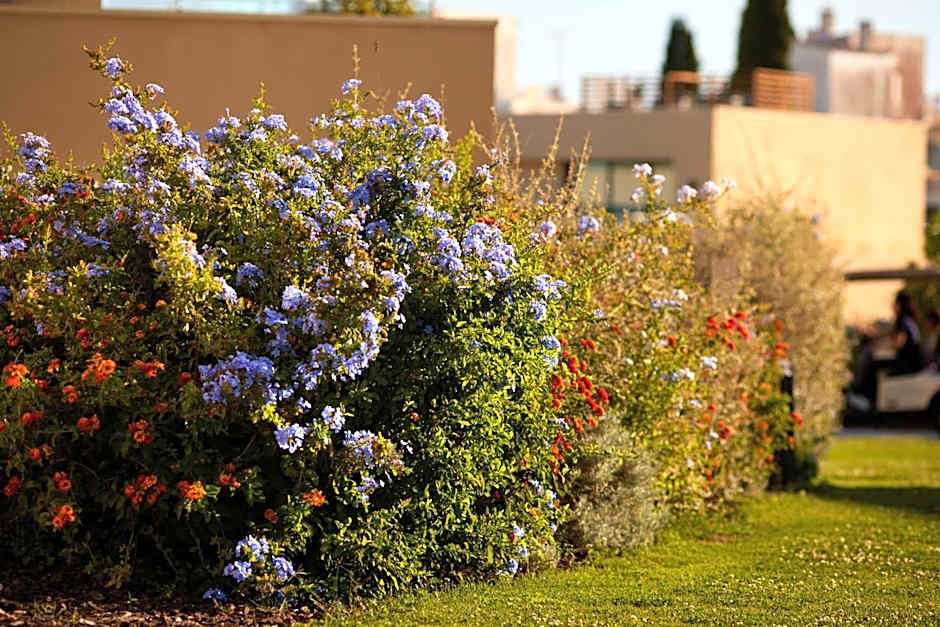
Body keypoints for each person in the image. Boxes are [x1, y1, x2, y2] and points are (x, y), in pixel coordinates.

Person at [892, 291, 924, 374]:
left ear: (899, 304)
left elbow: (900, 343)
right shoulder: (911, 320)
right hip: (917, 362)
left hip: (908, 365)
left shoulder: (902, 320)